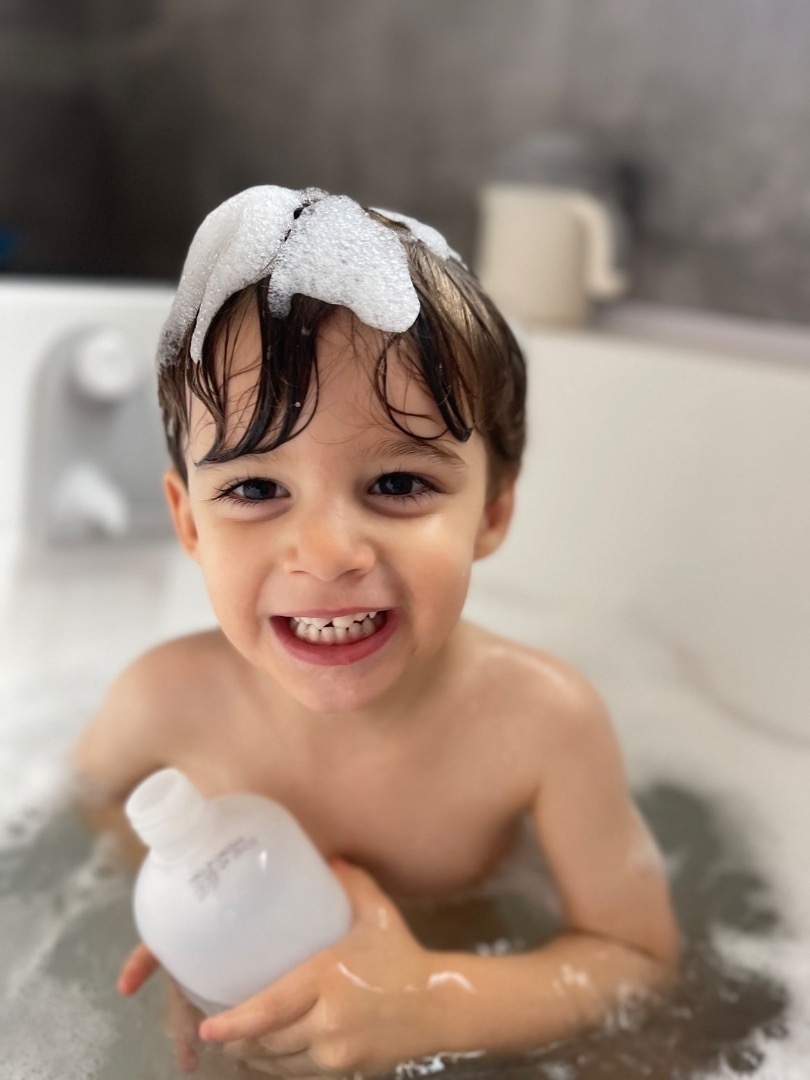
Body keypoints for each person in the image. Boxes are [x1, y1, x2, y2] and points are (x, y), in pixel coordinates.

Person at [72, 185, 679, 1077]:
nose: (325, 556)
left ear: (491, 512)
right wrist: (186, 929)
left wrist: (432, 1003)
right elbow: (94, 814)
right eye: (254, 489)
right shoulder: (161, 702)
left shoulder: (541, 722)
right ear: (189, 521)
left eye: (398, 484)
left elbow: (637, 960)